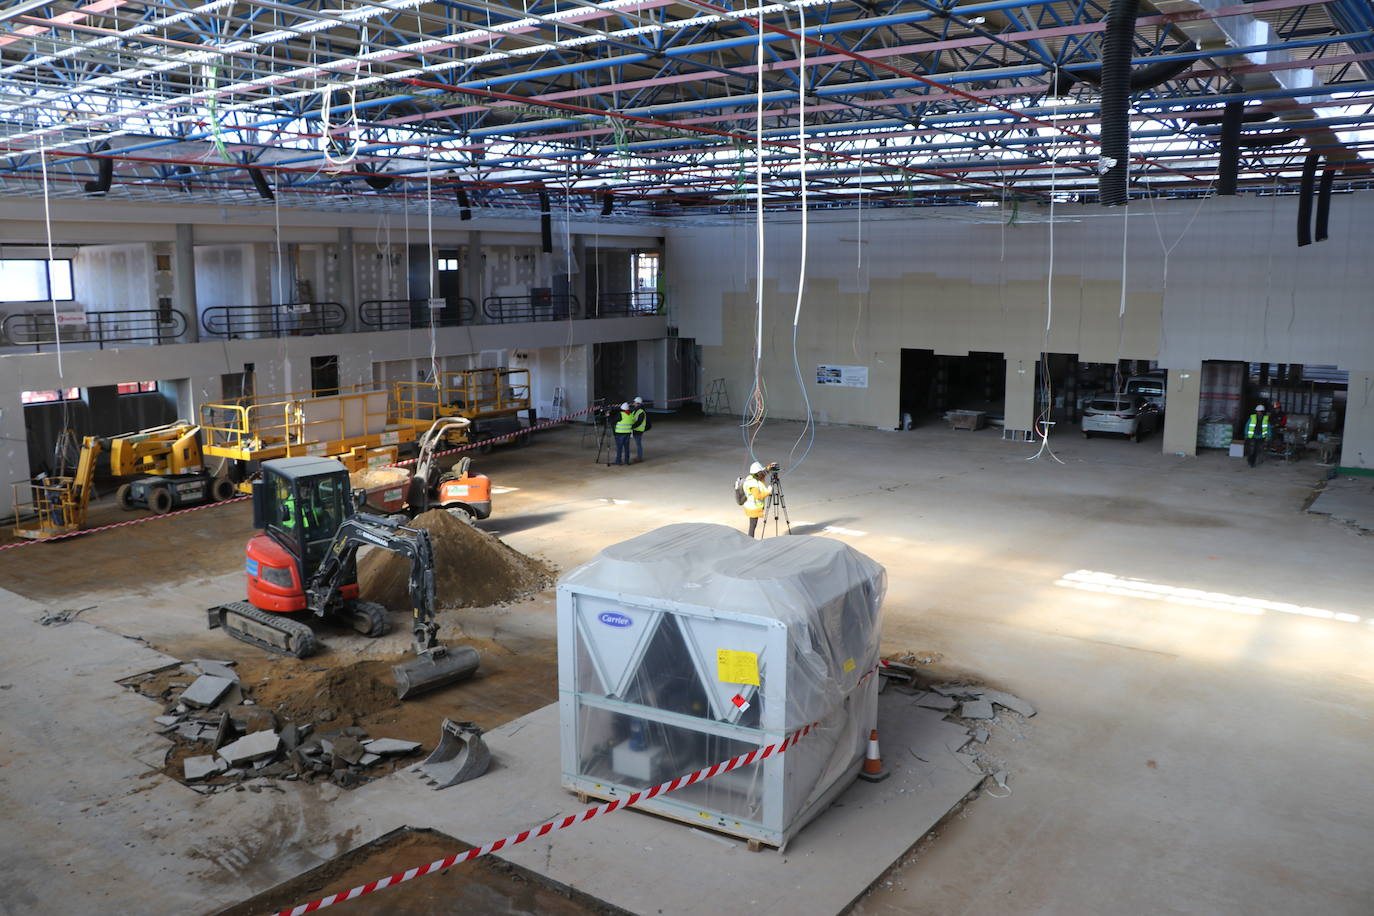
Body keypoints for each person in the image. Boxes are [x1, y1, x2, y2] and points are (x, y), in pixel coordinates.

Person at [741, 461, 773, 537]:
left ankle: (749, 540)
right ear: (757, 473)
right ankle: (750, 540)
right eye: (760, 471)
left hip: (751, 506)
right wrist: (768, 491)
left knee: (753, 525)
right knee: (752, 526)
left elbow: (762, 473)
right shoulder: (753, 483)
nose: (762, 473)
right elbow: (758, 496)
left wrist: (768, 468)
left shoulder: (753, 477)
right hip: (753, 508)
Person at [1244, 403, 1271, 468]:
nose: (1258, 412)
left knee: (1256, 450)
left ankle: (1252, 462)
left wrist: (1268, 435)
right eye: (1257, 411)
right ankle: (1250, 461)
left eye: (1259, 411)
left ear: (1262, 412)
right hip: (1253, 436)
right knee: (1252, 450)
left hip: (1261, 437)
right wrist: (1246, 434)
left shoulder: (1265, 419)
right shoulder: (1252, 417)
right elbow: (1247, 425)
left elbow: (1268, 428)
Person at [613, 402, 634, 466]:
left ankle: (618, 461)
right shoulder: (631, 415)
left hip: (620, 434)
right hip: (627, 433)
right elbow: (632, 422)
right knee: (626, 448)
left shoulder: (620, 414)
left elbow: (613, 421)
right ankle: (627, 461)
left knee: (619, 448)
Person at [630, 396, 648, 463]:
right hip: (635, 429)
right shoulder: (635, 410)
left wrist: (632, 426)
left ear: (638, 403)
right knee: (638, 444)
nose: (633, 403)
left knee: (638, 444)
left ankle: (639, 457)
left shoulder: (641, 412)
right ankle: (639, 456)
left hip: (638, 430)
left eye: (634, 402)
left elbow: (639, 422)